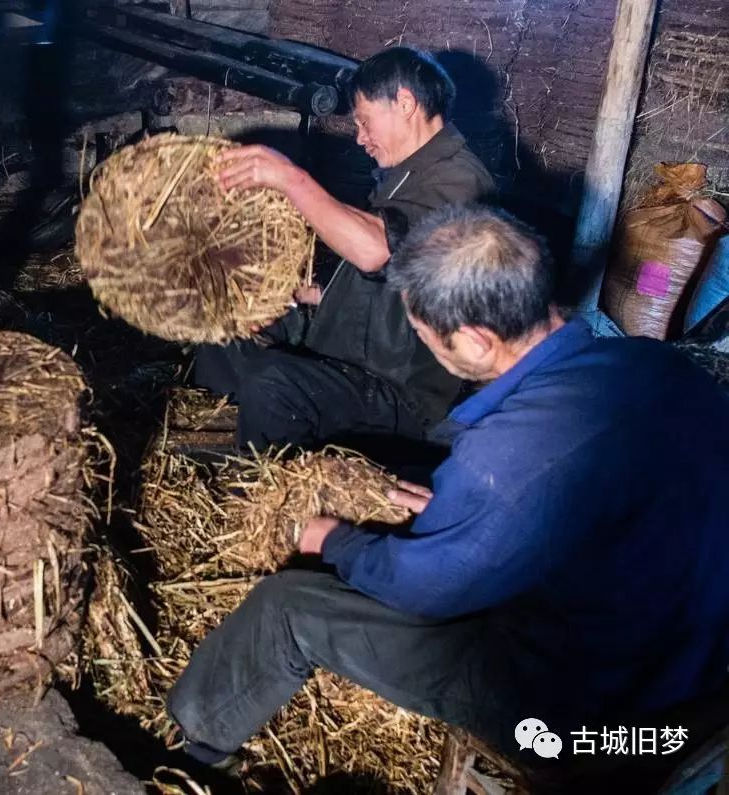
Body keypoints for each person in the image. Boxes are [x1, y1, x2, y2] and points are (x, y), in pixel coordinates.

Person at [168, 207, 729, 786]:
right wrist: (469, 517)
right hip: (698, 667)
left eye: (423, 334)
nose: (423, 343)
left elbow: (424, 590)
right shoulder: (659, 366)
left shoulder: (507, 455)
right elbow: (598, 507)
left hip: (600, 720)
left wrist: (336, 541)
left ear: (475, 341)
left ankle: (191, 756)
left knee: (288, 606)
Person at [194, 47, 495, 451]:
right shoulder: (407, 175)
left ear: (405, 103)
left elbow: (375, 252)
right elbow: (381, 285)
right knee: (227, 325)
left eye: (365, 121)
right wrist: (295, 298)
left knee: (275, 382)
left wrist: (290, 179)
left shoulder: (460, 182)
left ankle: (261, 488)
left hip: (401, 387)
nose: (360, 138)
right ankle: (213, 440)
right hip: (357, 351)